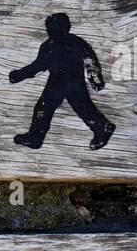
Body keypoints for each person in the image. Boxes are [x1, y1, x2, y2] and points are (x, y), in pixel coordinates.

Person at [8, 12, 116, 151]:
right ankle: (102, 128)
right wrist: (95, 79)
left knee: (52, 108)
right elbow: (90, 61)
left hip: (63, 82)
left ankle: (102, 127)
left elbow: (38, 67)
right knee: (64, 107)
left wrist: (17, 75)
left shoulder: (51, 45)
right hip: (68, 82)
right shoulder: (69, 43)